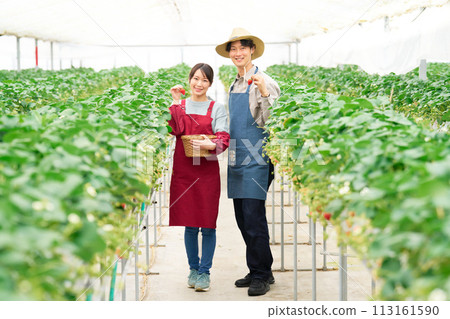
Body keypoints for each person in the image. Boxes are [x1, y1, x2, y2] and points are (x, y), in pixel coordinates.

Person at [215, 28, 280, 296]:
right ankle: (257, 269)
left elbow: (274, 121)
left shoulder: (264, 81)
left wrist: (264, 93)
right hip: (238, 156)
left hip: (257, 158)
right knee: (242, 218)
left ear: (252, 50)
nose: (237, 53)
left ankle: (262, 275)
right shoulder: (235, 83)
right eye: (233, 49)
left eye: (242, 48)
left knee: (254, 219)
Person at [167, 63, 230, 292]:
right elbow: (175, 129)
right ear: (189, 80)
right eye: (195, 78)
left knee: (208, 225)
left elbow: (223, 136)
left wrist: (211, 143)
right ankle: (193, 269)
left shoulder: (217, 108)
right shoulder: (180, 105)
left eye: (204, 80)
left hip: (207, 171)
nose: (199, 84)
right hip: (185, 171)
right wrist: (174, 101)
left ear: (210, 84)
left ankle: (205, 273)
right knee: (191, 224)